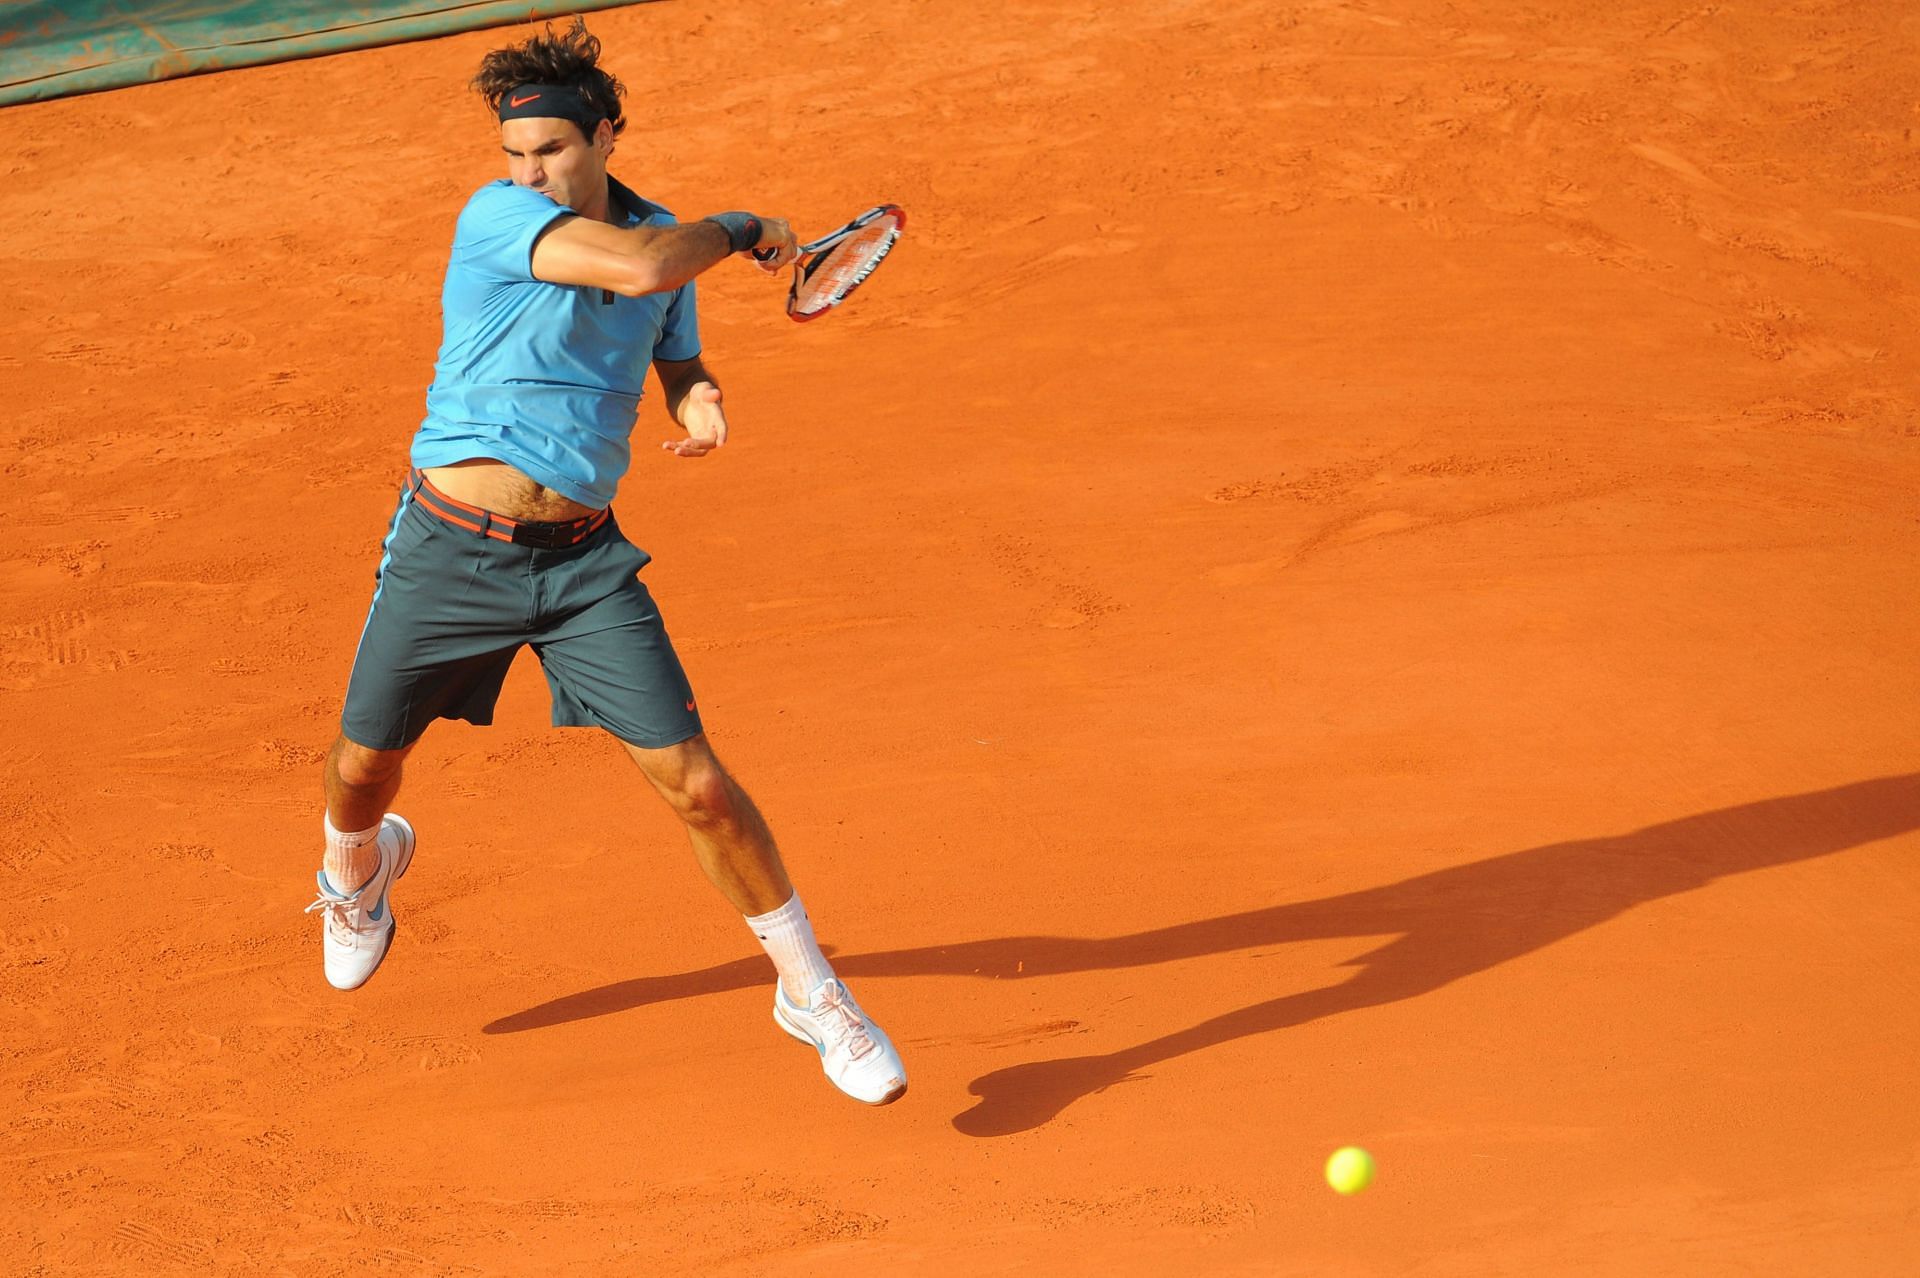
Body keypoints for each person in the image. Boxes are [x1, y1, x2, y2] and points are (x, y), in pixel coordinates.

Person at [303, 18, 906, 1106]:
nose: (531, 174)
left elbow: (672, 344)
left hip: (581, 567)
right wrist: (744, 224)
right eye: (516, 156)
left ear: (607, 135)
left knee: (703, 789)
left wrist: (704, 402)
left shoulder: (666, 245)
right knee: (360, 772)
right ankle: (357, 871)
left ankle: (811, 993)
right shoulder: (500, 220)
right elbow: (641, 271)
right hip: (448, 547)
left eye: (553, 153)